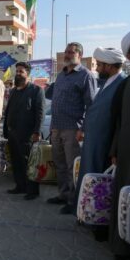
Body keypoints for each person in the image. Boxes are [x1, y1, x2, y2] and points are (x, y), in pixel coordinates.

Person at [72, 47, 126, 241]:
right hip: (94, 142)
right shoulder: (107, 82)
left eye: (100, 64)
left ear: (110, 66)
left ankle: (100, 224)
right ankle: (88, 215)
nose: (97, 67)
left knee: (102, 184)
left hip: (104, 145)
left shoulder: (122, 84)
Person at [45, 42, 97, 214]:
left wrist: (83, 128)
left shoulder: (85, 75)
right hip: (56, 127)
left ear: (79, 55)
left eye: (71, 52)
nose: (67, 54)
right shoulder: (61, 75)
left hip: (72, 129)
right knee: (59, 164)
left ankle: (74, 200)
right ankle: (63, 194)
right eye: (66, 52)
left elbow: (91, 105)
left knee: (71, 166)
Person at [109, 30, 130, 260]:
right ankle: (123, 247)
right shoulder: (126, 85)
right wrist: (114, 151)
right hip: (127, 153)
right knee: (125, 199)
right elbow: (117, 121)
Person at [3, 62, 45, 200]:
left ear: (28, 73)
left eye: (21, 71)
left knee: (30, 163)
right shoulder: (14, 91)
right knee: (16, 162)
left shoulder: (36, 91)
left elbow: (40, 113)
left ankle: (32, 190)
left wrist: (37, 132)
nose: (18, 74)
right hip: (13, 133)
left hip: (27, 135)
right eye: (17, 71)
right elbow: (8, 111)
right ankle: (20, 186)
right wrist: (6, 129)